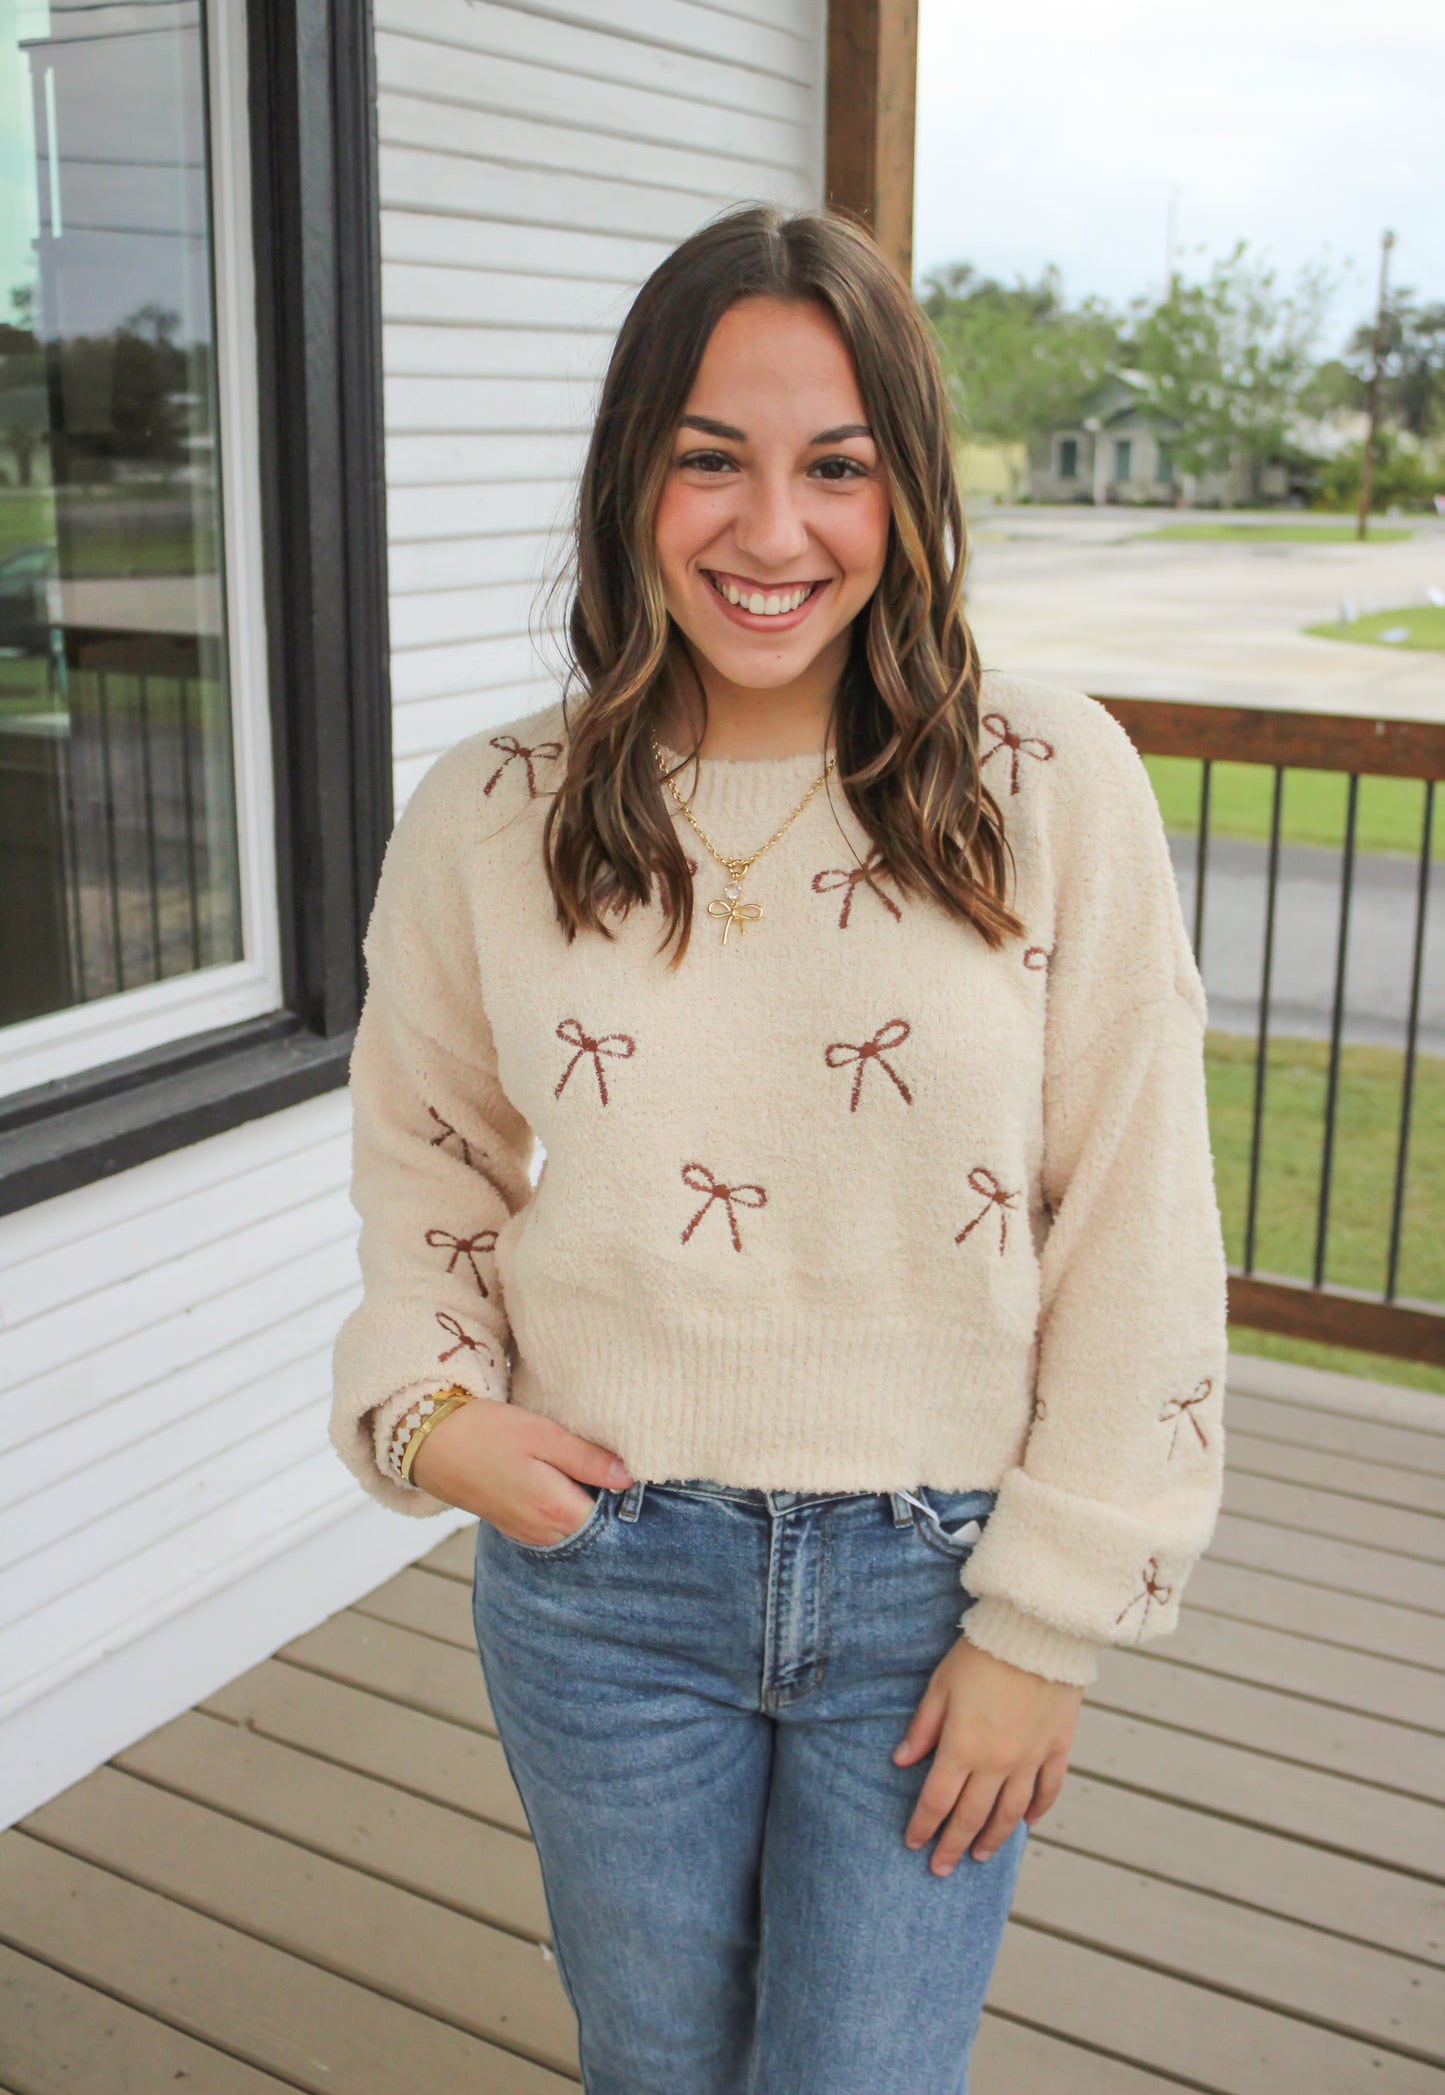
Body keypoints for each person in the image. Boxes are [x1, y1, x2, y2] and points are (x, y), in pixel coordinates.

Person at [330, 204, 1229, 2094]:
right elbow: (426, 1169)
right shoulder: (492, 812)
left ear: (904, 488)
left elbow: (1137, 1217)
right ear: (627, 483)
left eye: (835, 467)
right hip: (604, 1576)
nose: (770, 532)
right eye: (706, 462)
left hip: (938, 1587)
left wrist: (1049, 1620)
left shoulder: (1045, 785)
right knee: (655, 2065)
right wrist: (426, 1413)